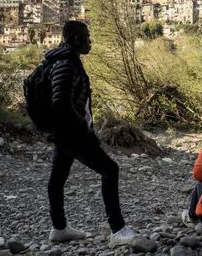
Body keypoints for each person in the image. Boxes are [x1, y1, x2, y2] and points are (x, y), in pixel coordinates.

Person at [45, 21, 135, 247]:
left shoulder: (66, 60)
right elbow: (60, 102)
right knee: (109, 169)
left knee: (58, 177)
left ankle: (59, 228)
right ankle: (118, 229)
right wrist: (83, 130)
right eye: (87, 36)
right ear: (75, 39)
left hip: (64, 132)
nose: (90, 41)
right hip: (72, 133)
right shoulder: (66, 63)